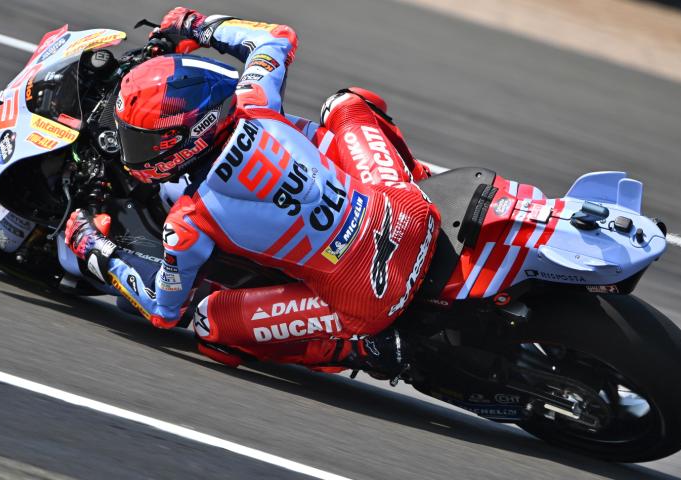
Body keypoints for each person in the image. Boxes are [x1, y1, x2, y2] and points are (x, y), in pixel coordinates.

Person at [65, 7, 439, 376]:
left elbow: (163, 311)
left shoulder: (188, 222)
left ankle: (358, 347)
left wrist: (95, 248)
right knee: (347, 105)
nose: (132, 151)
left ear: (185, 137)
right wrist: (196, 26)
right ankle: (421, 179)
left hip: (369, 296)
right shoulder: (254, 102)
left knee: (209, 322)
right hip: (412, 211)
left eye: (140, 140)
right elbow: (277, 37)